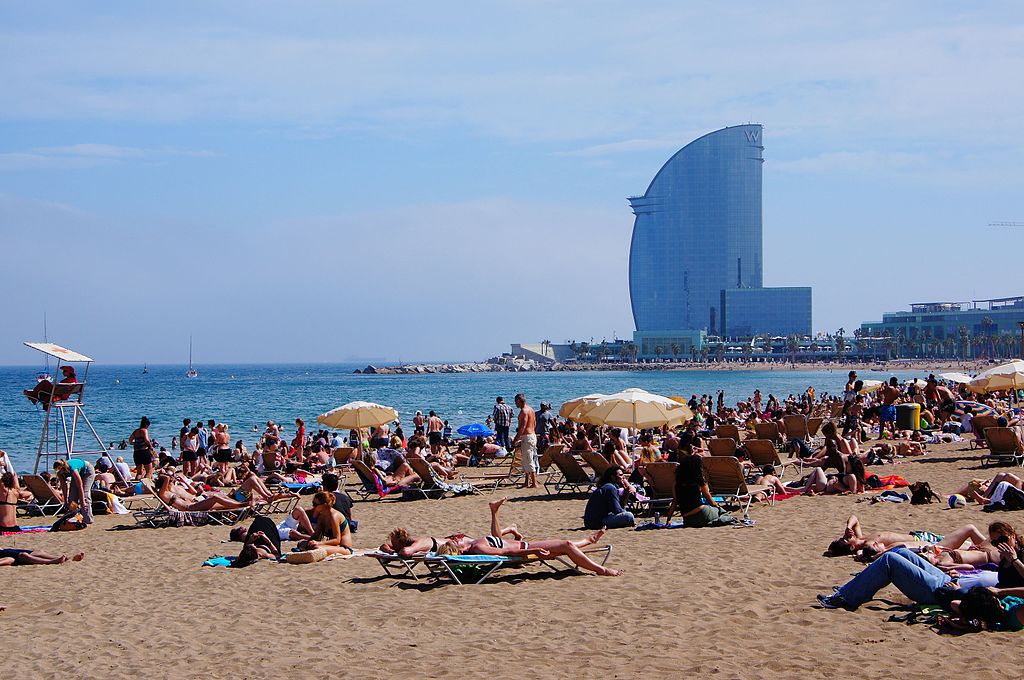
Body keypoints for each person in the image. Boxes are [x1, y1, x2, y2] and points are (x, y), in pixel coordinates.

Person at [441, 499, 622, 576]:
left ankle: (589, 541)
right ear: (456, 549)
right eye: (454, 541)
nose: (456, 539)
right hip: (525, 550)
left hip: (525, 546)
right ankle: (601, 570)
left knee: (563, 545)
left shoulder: (473, 545)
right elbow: (506, 552)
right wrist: (534, 551)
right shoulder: (478, 549)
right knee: (566, 545)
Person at [662, 455, 735, 527]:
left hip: (688, 519)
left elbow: (674, 502)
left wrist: (668, 520)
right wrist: (719, 508)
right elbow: (710, 501)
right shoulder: (699, 482)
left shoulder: (676, 483)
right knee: (722, 513)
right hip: (702, 512)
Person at [297, 491, 353, 555]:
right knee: (302, 544)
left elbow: (337, 540)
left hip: (344, 547)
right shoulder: (322, 516)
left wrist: (319, 543)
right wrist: (308, 541)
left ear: (324, 505)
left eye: (315, 504)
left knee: (316, 547)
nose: (313, 506)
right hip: (334, 546)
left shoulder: (334, 516)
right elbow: (316, 536)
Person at [53, 457, 96, 526]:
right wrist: (66, 501)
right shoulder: (60, 474)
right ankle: (73, 518)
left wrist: (82, 501)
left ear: (63, 468)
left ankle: (88, 520)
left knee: (85, 496)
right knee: (72, 497)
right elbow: (64, 487)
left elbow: (80, 486)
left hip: (87, 471)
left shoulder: (72, 468)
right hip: (78, 473)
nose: (59, 472)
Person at [512, 393, 538, 489]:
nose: (515, 404)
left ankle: (534, 482)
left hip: (527, 436)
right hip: (531, 435)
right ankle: (527, 481)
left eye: (516, 402)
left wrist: (515, 439)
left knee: (528, 459)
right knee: (525, 460)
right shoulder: (531, 409)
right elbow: (534, 423)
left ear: (519, 400)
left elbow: (522, 427)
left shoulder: (524, 411)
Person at [0, 547, 85, 566]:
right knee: (24, 555)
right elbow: (9, 560)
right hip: (4, 554)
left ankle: (68, 558)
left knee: (38, 552)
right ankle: (53, 561)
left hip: (4, 550)